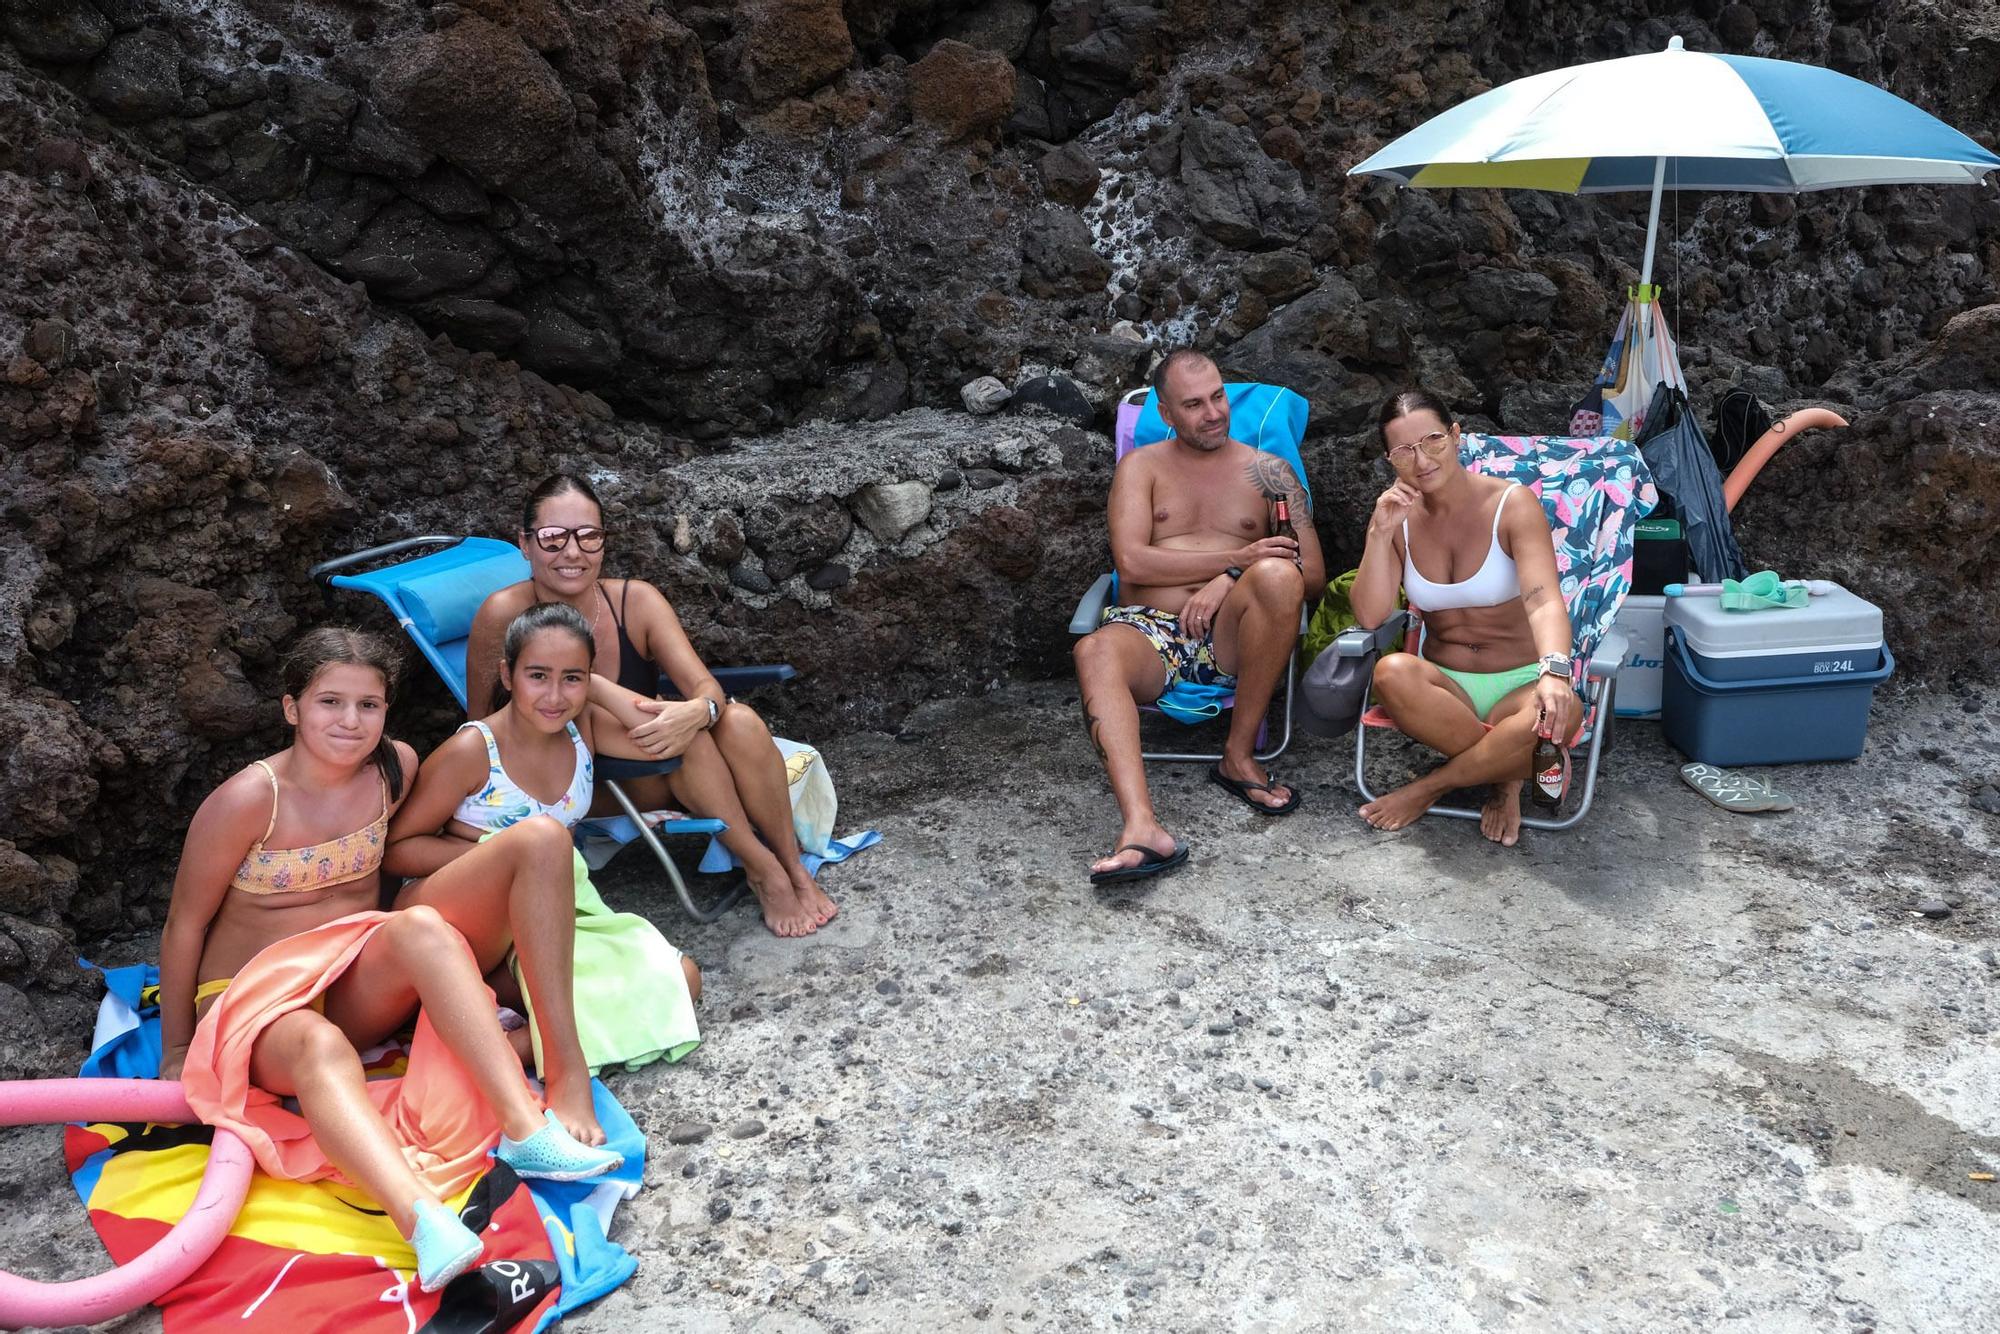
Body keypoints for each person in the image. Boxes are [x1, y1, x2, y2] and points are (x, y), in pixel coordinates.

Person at [159, 628, 623, 1296]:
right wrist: (177, 1045)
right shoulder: (248, 800)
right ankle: (421, 1220)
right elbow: (184, 925)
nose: (350, 722)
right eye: (330, 703)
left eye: (368, 706)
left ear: (386, 712)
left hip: (349, 969)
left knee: (424, 925)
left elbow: (426, 846)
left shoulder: (395, 767)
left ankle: (526, 1128)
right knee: (318, 1047)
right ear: (292, 708)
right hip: (259, 999)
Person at [464, 475, 836, 938]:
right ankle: (763, 870)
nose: (573, 552)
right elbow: (479, 729)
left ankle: (793, 866)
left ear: (604, 540)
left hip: (650, 760)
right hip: (581, 778)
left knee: (738, 721)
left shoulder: (634, 601)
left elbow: (704, 685)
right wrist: (591, 688)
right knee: (680, 740)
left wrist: (699, 710)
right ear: (525, 544)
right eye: (553, 538)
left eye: (588, 536)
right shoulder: (502, 614)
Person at [386, 602, 704, 1071]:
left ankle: (511, 1052)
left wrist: (590, 686)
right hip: (472, 920)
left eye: (571, 678)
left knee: (683, 977)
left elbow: (655, 731)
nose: (554, 695)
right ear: (507, 675)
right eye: (538, 676)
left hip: (561, 910)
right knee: (585, 998)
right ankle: (504, 1058)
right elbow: (397, 850)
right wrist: (504, 857)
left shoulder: (581, 727)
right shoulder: (474, 749)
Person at [1072, 349, 1326, 883]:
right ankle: (1142, 828)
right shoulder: (1139, 467)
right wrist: (1235, 557)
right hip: (1149, 631)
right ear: (1165, 413)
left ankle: (1238, 757)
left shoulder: (1272, 473)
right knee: (1091, 647)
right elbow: (1132, 560)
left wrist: (1229, 579)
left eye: (1218, 397)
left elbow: (1313, 572)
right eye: (1193, 404)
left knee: (1280, 577)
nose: (1213, 412)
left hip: (1233, 633)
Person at [1350, 389, 1583, 846]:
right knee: (1391, 671)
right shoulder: (1396, 518)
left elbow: (1543, 601)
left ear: (1456, 436)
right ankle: (1515, 766)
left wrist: (1554, 673)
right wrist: (1379, 534)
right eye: (1403, 451)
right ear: (1390, 460)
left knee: (1565, 707)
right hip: (1446, 690)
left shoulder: (1511, 505)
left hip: (1518, 685)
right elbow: (1371, 614)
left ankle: (1432, 787)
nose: (1421, 460)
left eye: (1433, 440)